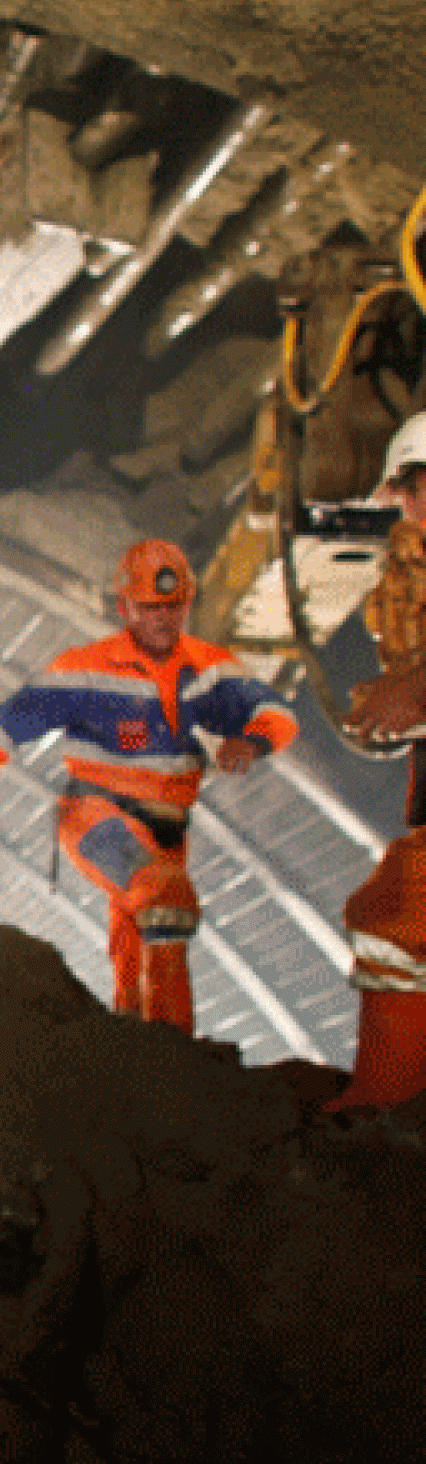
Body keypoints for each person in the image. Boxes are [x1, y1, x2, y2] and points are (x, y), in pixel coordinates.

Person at [0, 538, 298, 1033]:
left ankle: (132, 1059)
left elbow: (277, 713)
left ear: (188, 604)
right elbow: (11, 724)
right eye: (150, 609)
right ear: (124, 606)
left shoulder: (206, 669)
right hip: (97, 819)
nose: (163, 620)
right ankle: (174, 1058)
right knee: (165, 895)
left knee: (135, 951)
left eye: (173, 608)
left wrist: (254, 742)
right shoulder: (86, 669)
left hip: (167, 832)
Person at [331, 412, 426, 1109]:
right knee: (394, 908)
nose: (402, 503)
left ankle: (389, 1107)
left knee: (405, 918)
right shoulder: (408, 565)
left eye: (411, 485)